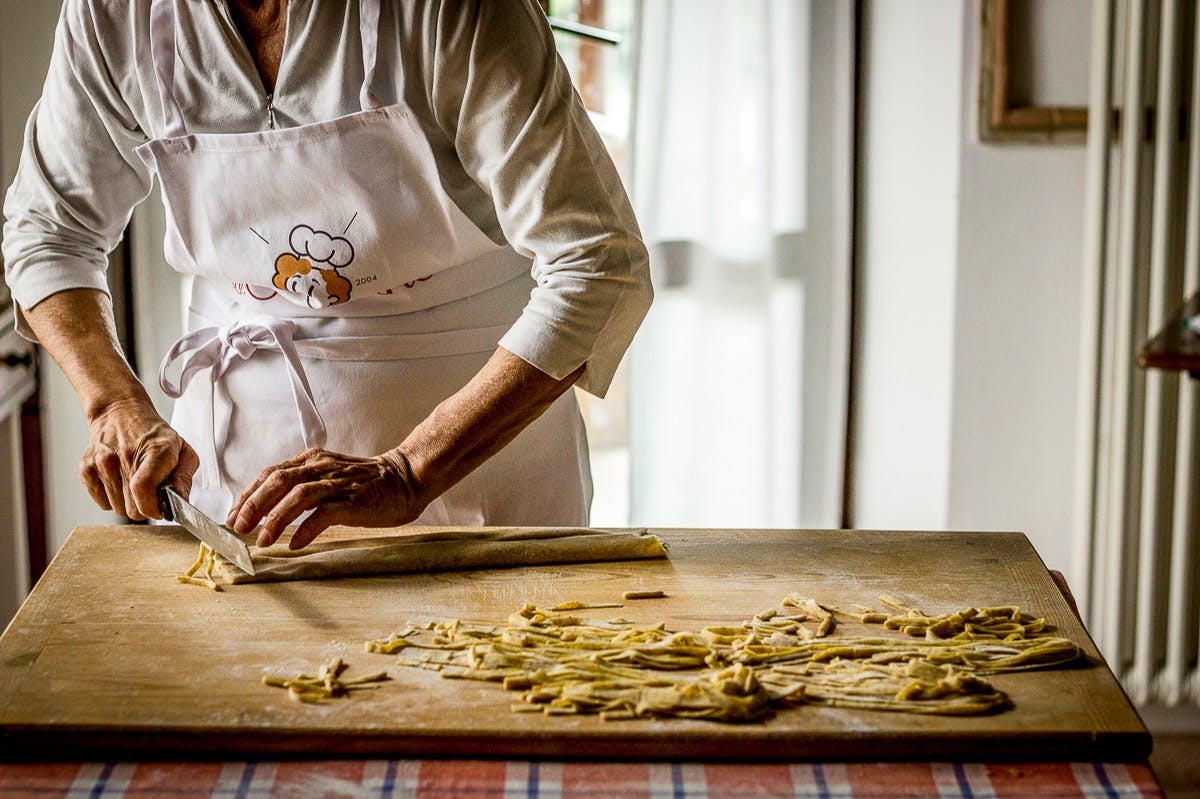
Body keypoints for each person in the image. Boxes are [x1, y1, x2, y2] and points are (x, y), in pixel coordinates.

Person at [2, 0, 651, 550]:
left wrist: (410, 470)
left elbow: (597, 261)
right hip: (236, 480)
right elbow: (49, 233)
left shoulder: (456, 11)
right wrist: (113, 402)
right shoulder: (114, 14)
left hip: (479, 467)